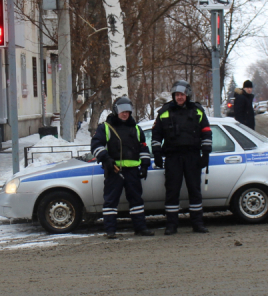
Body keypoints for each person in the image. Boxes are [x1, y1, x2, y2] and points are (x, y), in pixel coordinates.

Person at [151, 80, 213, 235]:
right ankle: (171, 225)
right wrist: (157, 154)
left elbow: (206, 133)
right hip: (173, 157)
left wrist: (205, 154)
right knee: (172, 191)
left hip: (192, 156)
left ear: (187, 95)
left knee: (195, 190)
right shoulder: (164, 112)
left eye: (182, 94)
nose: (179, 97)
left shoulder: (198, 111)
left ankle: (197, 224)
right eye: (177, 95)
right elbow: (156, 135)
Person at [90, 97, 154, 239]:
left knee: (136, 201)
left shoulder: (136, 128)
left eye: (128, 111)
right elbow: (96, 145)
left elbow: (143, 147)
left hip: (132, 172)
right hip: (114, 170)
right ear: (115, 111)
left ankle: (140, 228)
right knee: (111, 201)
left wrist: (144, 165)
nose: (125, 114)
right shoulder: (105, 127)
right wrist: (106, 160)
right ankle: (110, 230)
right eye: (122, 111)